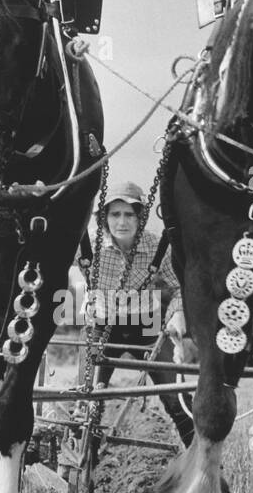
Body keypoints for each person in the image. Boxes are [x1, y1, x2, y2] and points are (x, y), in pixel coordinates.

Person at [75, 182, 195, 447]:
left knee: (177, 398)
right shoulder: (88, 245)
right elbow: (51, 263)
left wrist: (176, 314)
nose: (122, 221)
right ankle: (84, 460)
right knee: (87, 398)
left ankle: (200, 461)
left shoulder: (157, 246)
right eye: (115, 214)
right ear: (104, 218)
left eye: (130, 214)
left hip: (146, 325)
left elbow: (179, 288)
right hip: (101, 326)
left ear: (141, 217)